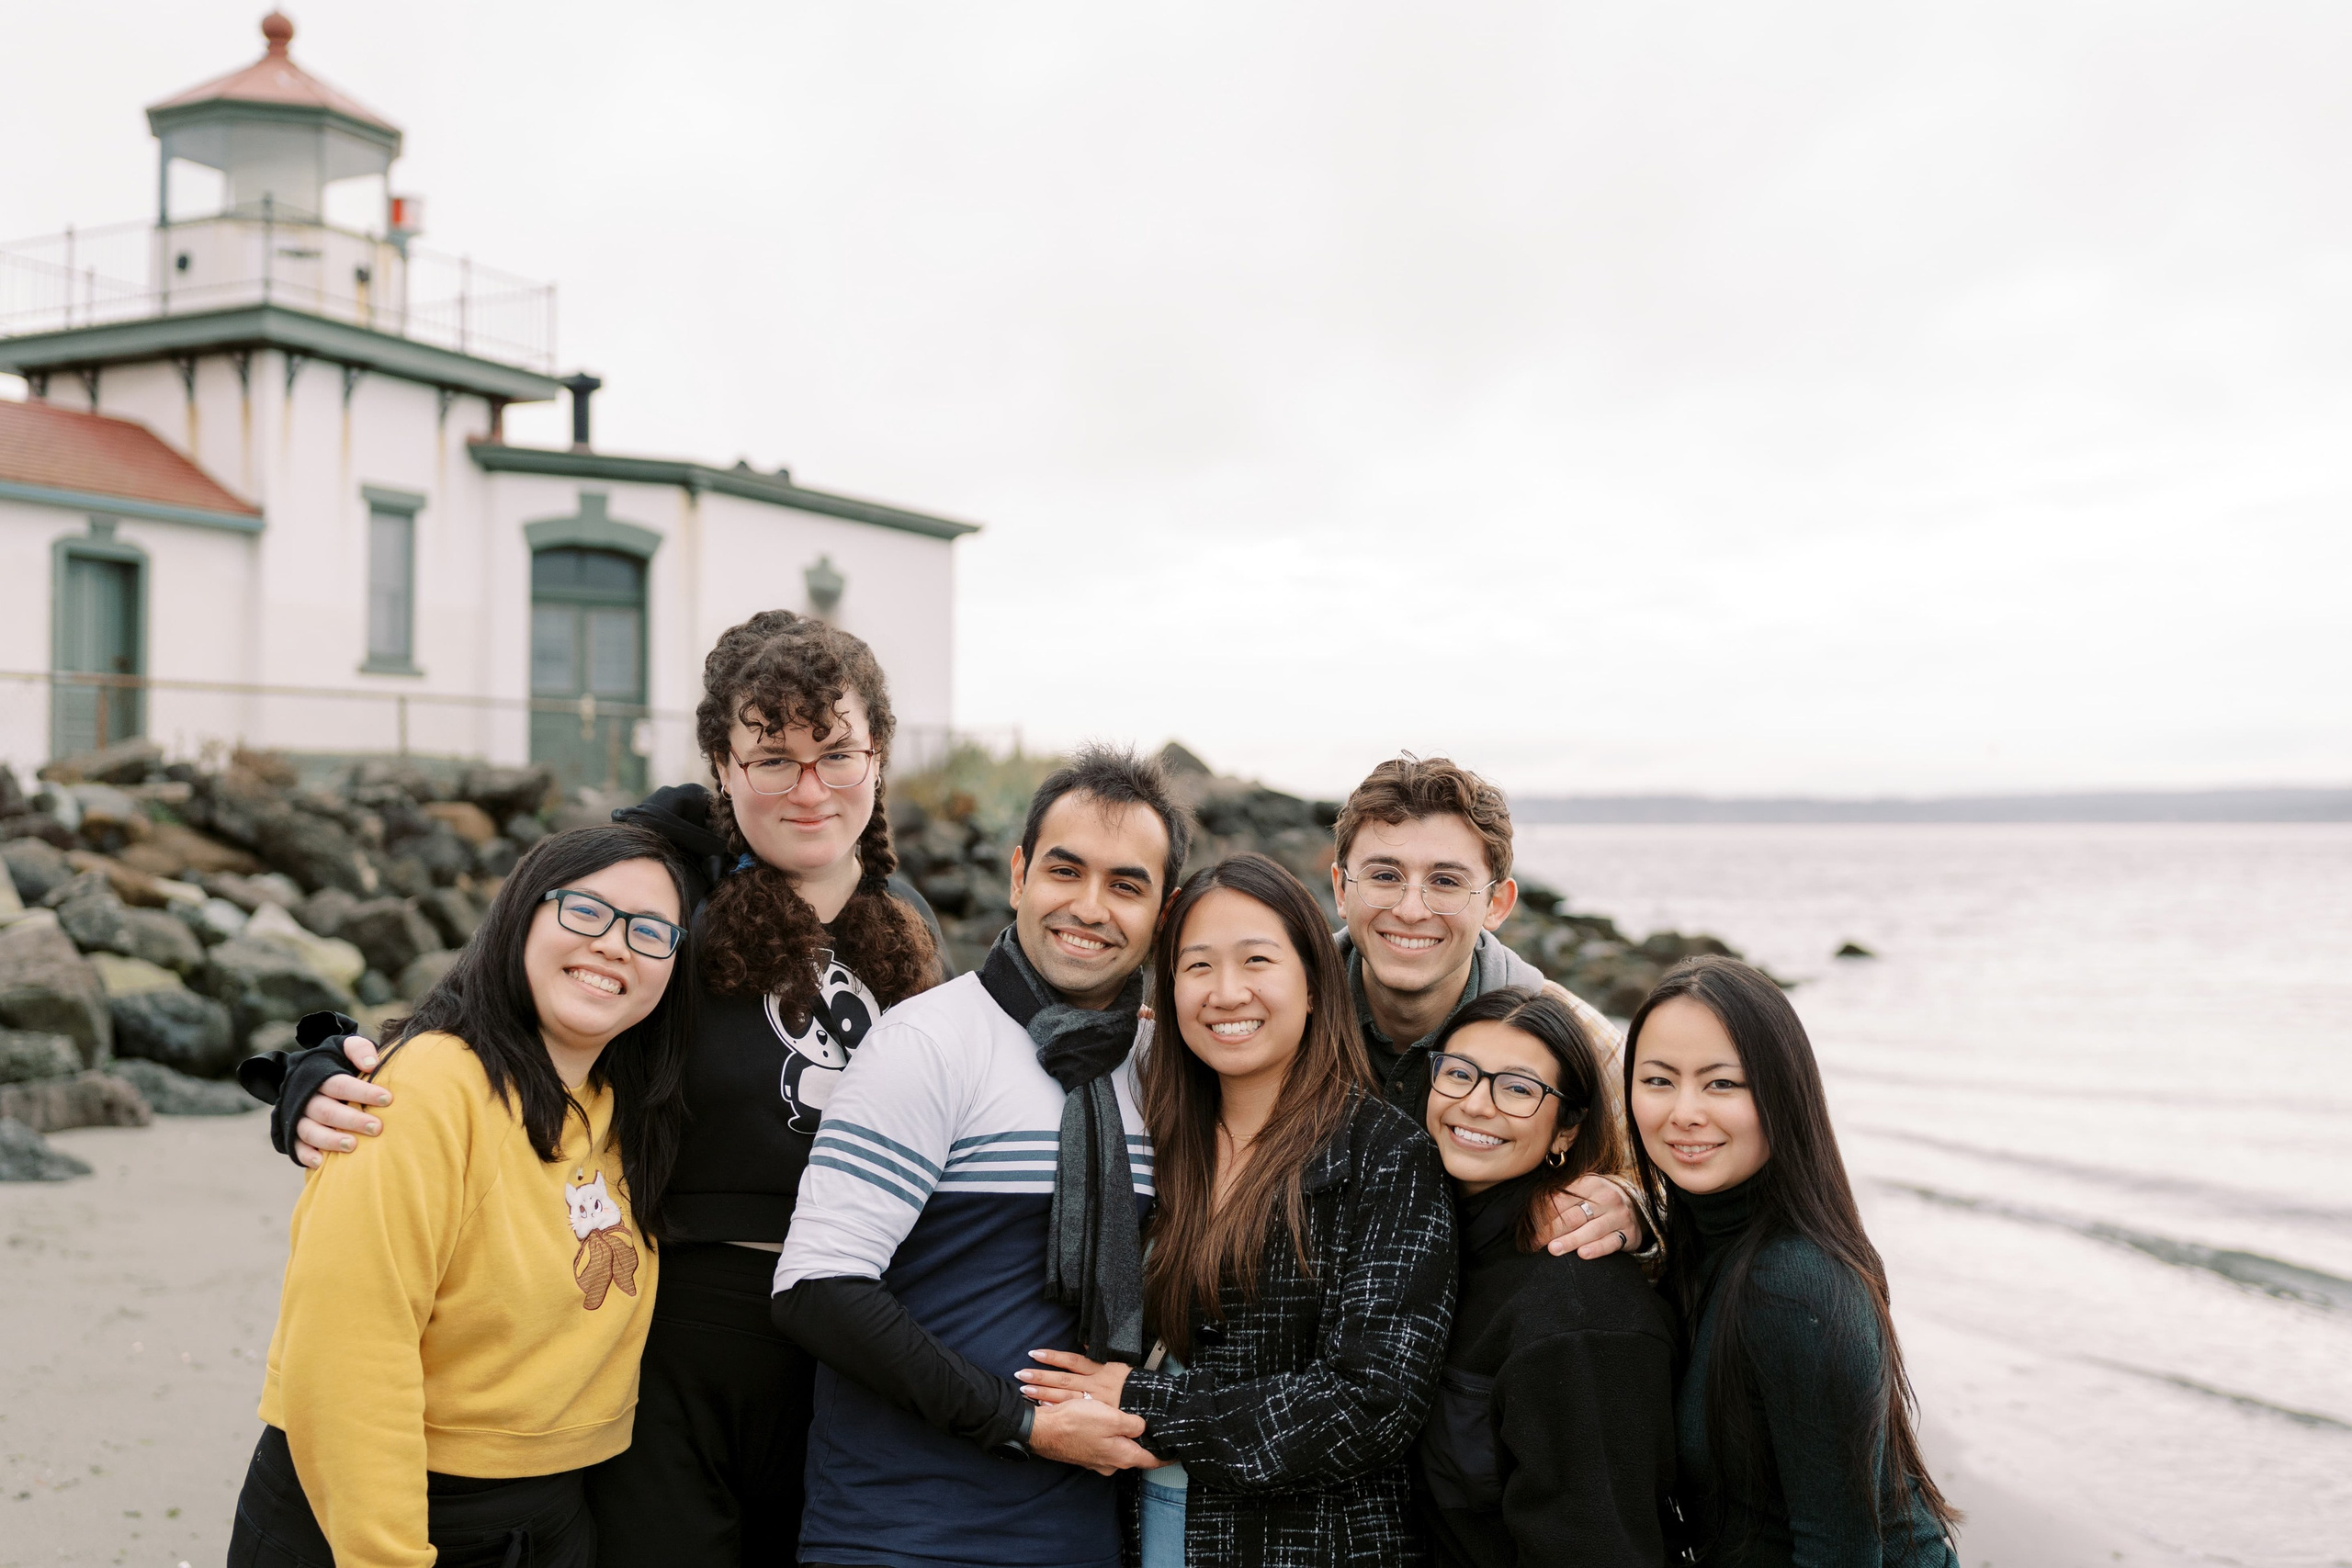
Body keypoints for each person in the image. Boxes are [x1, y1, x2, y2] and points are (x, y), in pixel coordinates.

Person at [263, 611, 951, 1566]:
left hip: (856, 1321)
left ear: (878, 757)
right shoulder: (660, 887)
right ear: (721, 762)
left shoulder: (907, 921)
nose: (808, 787)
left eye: (837, 753)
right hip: (681, 1329)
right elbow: (494, 996)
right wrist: (317, 1076)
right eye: (769, 757)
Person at [226, 823, 697, 1568]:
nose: (614, 943)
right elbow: (347, 1348)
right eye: (584, 910)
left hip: (549, 1513)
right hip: (384, 1514)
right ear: (519, 918)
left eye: (650, 931)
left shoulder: (626, 1105)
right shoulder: (430, 1085)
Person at [768, 746, 1189, 1568]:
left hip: (1085, 1534)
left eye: (1126, 884)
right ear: (1019, 874)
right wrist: (1025, 1421)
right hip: (905, 1532)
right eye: (1065, 871)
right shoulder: (928, 1043)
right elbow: (815, 1289)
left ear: (1164, 915)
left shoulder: (1159, 1071)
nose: (1090, 906)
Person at [1021, 852, 1457, 1568]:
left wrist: (1147, 1403)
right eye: (1197, 966)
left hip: (1313, 1545)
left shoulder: (1384, 1152)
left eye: (1257, 960)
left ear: (1315, 985)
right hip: (1148, 1524)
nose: (1226, 992)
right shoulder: (1152, 1138)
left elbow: (1369, 1405)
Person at [1624, 957, 1959, 1566]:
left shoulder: (1794, 1286)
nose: (1685, 1111)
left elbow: (1842, 1553)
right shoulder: (1700, 1243)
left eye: (1723, 1083)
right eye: (1658, 1079)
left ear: (1782, 1091)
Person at [1330, 754, 1648, 1261]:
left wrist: (1637, 1208)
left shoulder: (1571, 1039)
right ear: (1341, 888)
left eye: (1447, 882)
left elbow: (1690, 1183)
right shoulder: (1282, 1009)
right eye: (1385, 876)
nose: (1412, 910)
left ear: (1497, 905)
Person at [1410, 987, 1676, 1568]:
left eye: (1518, 1090)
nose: (1478, 1105)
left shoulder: (1579, 1315)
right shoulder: (1427, 1250)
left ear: (1566, 1131)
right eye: (1459, 1074)